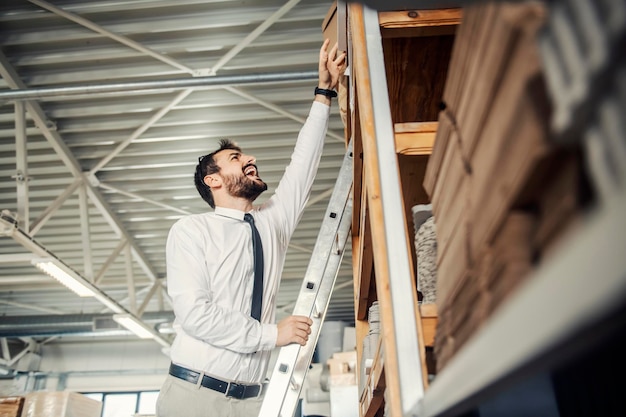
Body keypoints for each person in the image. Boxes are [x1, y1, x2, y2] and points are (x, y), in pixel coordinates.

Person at [156, 39, 346, 417]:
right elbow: (195, 313)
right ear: (213, 181)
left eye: (246, 155)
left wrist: (324, 93)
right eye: (235, 158)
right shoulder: (191, 231)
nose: (250, 159)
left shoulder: (269, 223)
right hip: (193, 395)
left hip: (254, 402)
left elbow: (302, 167)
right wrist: (271, 335)